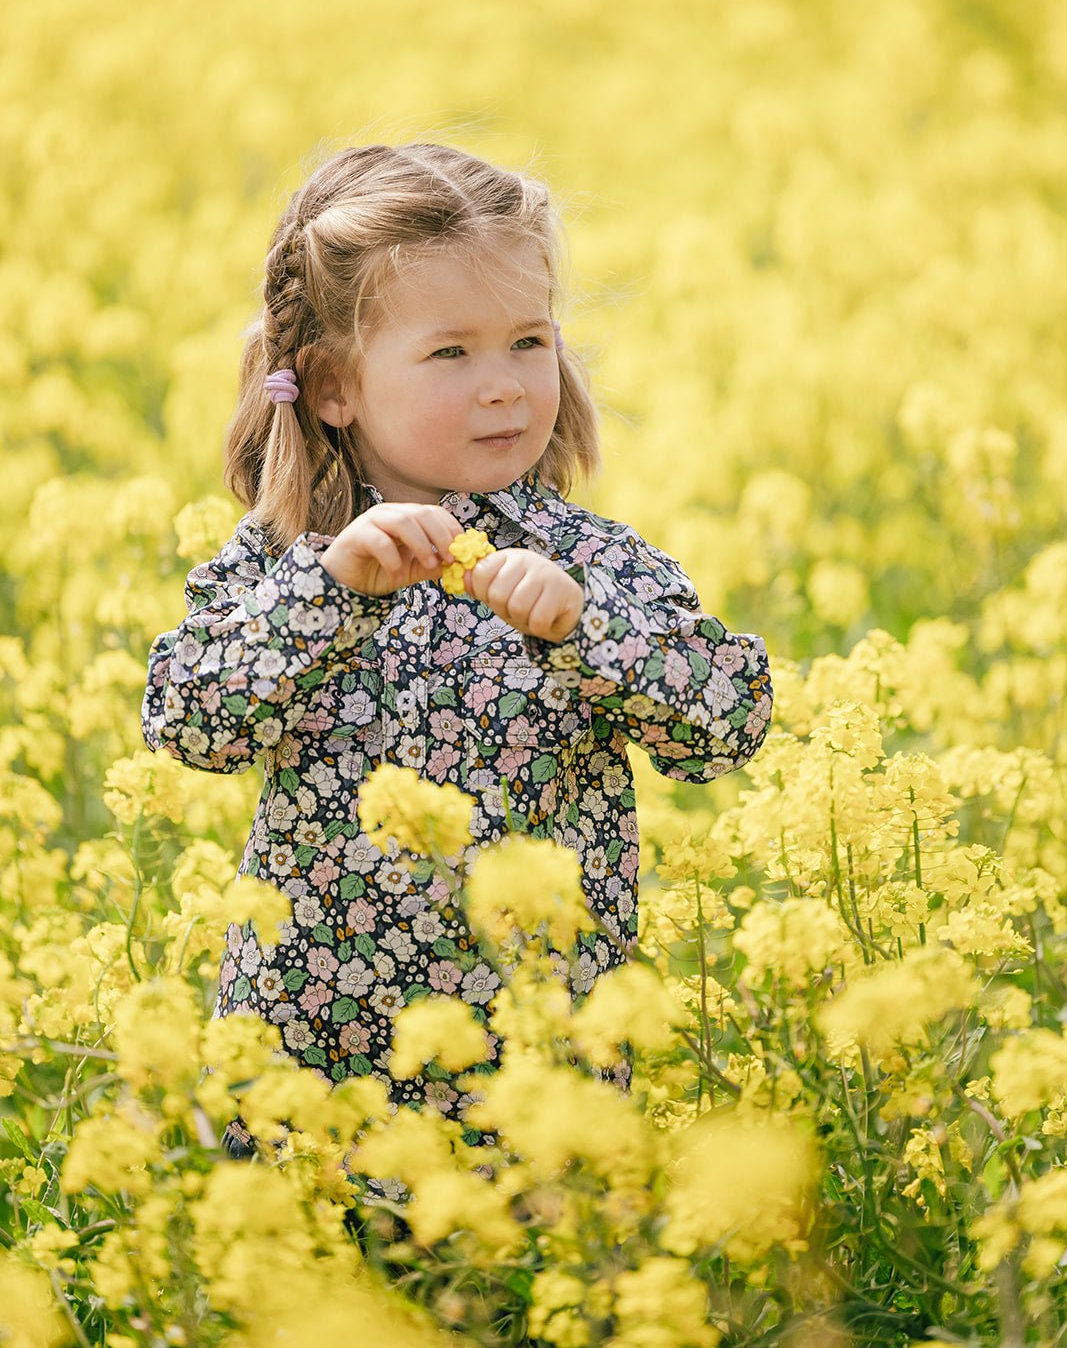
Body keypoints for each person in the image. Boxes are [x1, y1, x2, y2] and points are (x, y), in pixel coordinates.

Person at [141, 141, 773, 1159]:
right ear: (337, 386)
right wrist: (327, 594)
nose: (505, 387)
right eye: (452, 353)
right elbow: (189, 723)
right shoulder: (284, 559)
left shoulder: (585, 560)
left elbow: (724, 724)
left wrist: (584, 630)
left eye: (528, 341)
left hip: (532, 1087)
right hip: (307, 1081)